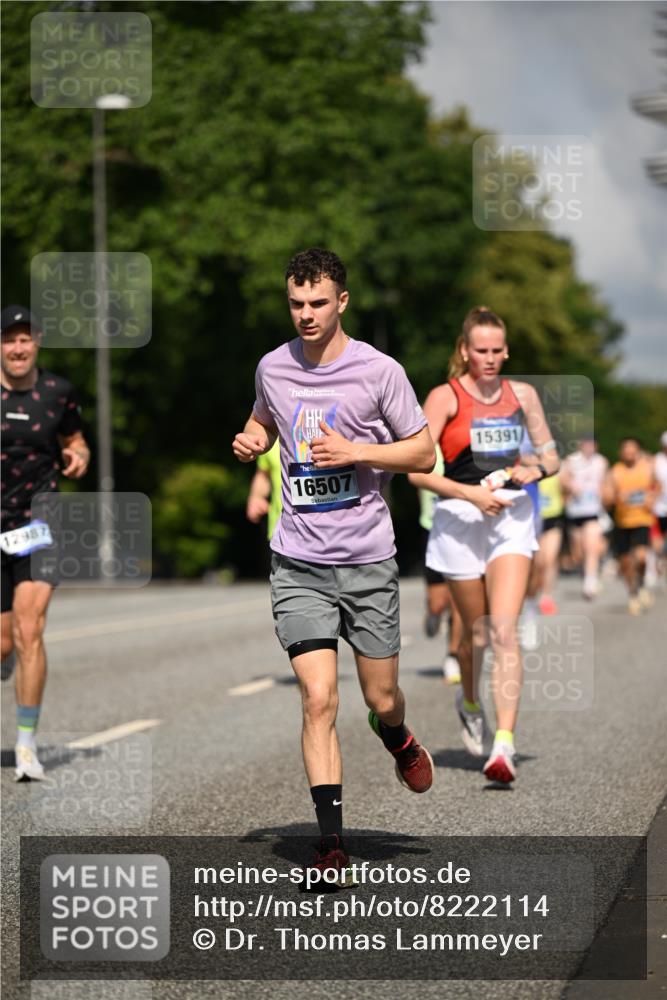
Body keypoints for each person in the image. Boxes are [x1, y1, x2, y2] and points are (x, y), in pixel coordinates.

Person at [232, 249, 436, 878]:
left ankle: (396, 734)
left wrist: (358, 450)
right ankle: (331, 841)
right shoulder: (273, 366)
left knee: (381, 695)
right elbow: (264, 420)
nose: (306, 315)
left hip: (369, 560)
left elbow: (424, 451)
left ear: (342, 301)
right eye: (296, 304)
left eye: (318, 303)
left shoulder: (379, 371)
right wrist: (252, 440)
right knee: (318, 698)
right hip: (299, 559)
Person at [408, 306, 559, 784]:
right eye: (481, 351)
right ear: (465, 351)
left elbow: (550, 453)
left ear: (506, 350)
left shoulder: (523, 394)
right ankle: (470, 701)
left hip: (511, 517)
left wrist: (536, 469)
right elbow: (415, 468)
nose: (490, 359)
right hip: (458, 519)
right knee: (473, 636)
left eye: (497, 351)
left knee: (504, 631)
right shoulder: (445, 397)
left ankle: (504, 746)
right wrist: (470, 493)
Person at [1, 305, 89, 780]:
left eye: (26, 339)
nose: (17, 347)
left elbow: (76, 440)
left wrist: (77, 455)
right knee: (4, 640)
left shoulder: (58, 393)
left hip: (39, 523)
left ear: (37, 344)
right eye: (9, 339)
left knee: (30, 629)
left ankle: (26, 746)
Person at [418, 444, 463, 683]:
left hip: (461, 532)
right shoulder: (427, 446)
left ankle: (453, 655)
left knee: (459, 601)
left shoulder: (463, 445)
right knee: (439, 602)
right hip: (432, 529)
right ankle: (433, 613)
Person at [604, 437, 657, 615]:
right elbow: (607, 499)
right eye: (626, 450)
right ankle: (632, 593)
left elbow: (657, 487)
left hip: (642, 519)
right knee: (626, 562)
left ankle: (641, 584)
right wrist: (617, 497)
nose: (629, 453)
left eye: (632, 449)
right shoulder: (615, 472)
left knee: (641, 557)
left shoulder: (647, 469)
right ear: (621, 453)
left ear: (638, 451)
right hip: (622, 522)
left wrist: (651, 498)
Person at [560, 435, 608, 599]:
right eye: (585, 444)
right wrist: (570, 486)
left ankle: (590, 581)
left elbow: (605, 483)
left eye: (592, 445)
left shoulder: (601, 462)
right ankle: (587, 572)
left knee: (591, 546)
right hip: (575, 511)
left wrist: (605, 498)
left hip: (593, 510)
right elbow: (562, 479)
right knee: (578, 552)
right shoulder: (571, 461)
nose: (589, 447)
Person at [536, 473, 565, 615]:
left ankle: (547, 596)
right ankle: (535, 592)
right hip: (534, 519)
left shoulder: (556, 469)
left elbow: (566, 489)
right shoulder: (525, 466)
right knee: (539, 562)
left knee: (550, 558)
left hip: (553, 518)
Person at [246, 439, 282, 540]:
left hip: (326, 533)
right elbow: (263, 473)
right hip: (279, 532)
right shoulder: (271, 437)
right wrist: (256, 497)